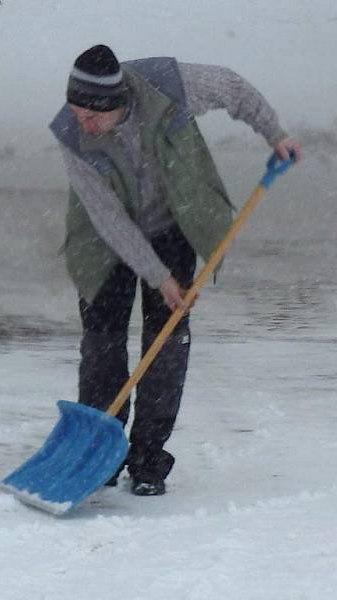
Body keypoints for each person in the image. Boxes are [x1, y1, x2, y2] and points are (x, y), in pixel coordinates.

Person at [51, 45, 301, 496]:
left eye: (92, 117)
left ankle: (148, 458)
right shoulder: (73, 134)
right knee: (103, 343)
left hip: (173, 221)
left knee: (166, 339)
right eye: (76, 113)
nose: (82, 125)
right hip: (102, 239)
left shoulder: (169, 85)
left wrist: (274, 134)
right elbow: (109, 220)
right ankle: (99, 454)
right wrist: (158, 275)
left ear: (117, 104)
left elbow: (232, 86)